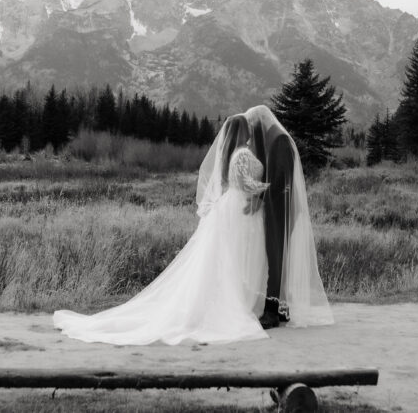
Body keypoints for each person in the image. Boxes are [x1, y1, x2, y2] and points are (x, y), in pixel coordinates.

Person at [52, 107, 332, 345]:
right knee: (234, 259)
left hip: (234, 208)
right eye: (247, 129)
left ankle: (250, 299)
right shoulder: (244, 156)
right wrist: (266, 191)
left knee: (227, 261)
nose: (250, 132)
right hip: (239, 207)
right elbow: (246, 184)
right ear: (242, 132)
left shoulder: (238, 154)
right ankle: (243, 302)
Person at [245, 105, 333, 329]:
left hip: (281, 208)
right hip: (277, 206)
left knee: (277, 256)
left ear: (260, 122)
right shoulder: (275, 137)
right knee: (277, 256)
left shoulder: (279, 140)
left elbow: (281, 182)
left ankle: (273, 311)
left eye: (254, 127)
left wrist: (260, 196)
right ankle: (281, 308)